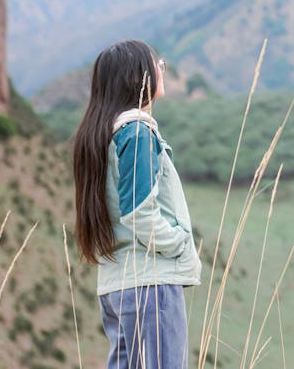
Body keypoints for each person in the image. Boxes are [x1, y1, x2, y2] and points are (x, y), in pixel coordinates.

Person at [73, 39, 201, 368]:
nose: (162, 69)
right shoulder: (136, 131)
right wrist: (178, 242)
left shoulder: (102, 134)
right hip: (150, 283)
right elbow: (139, 213)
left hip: (117, 284)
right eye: (157, 64)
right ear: (137, 77)